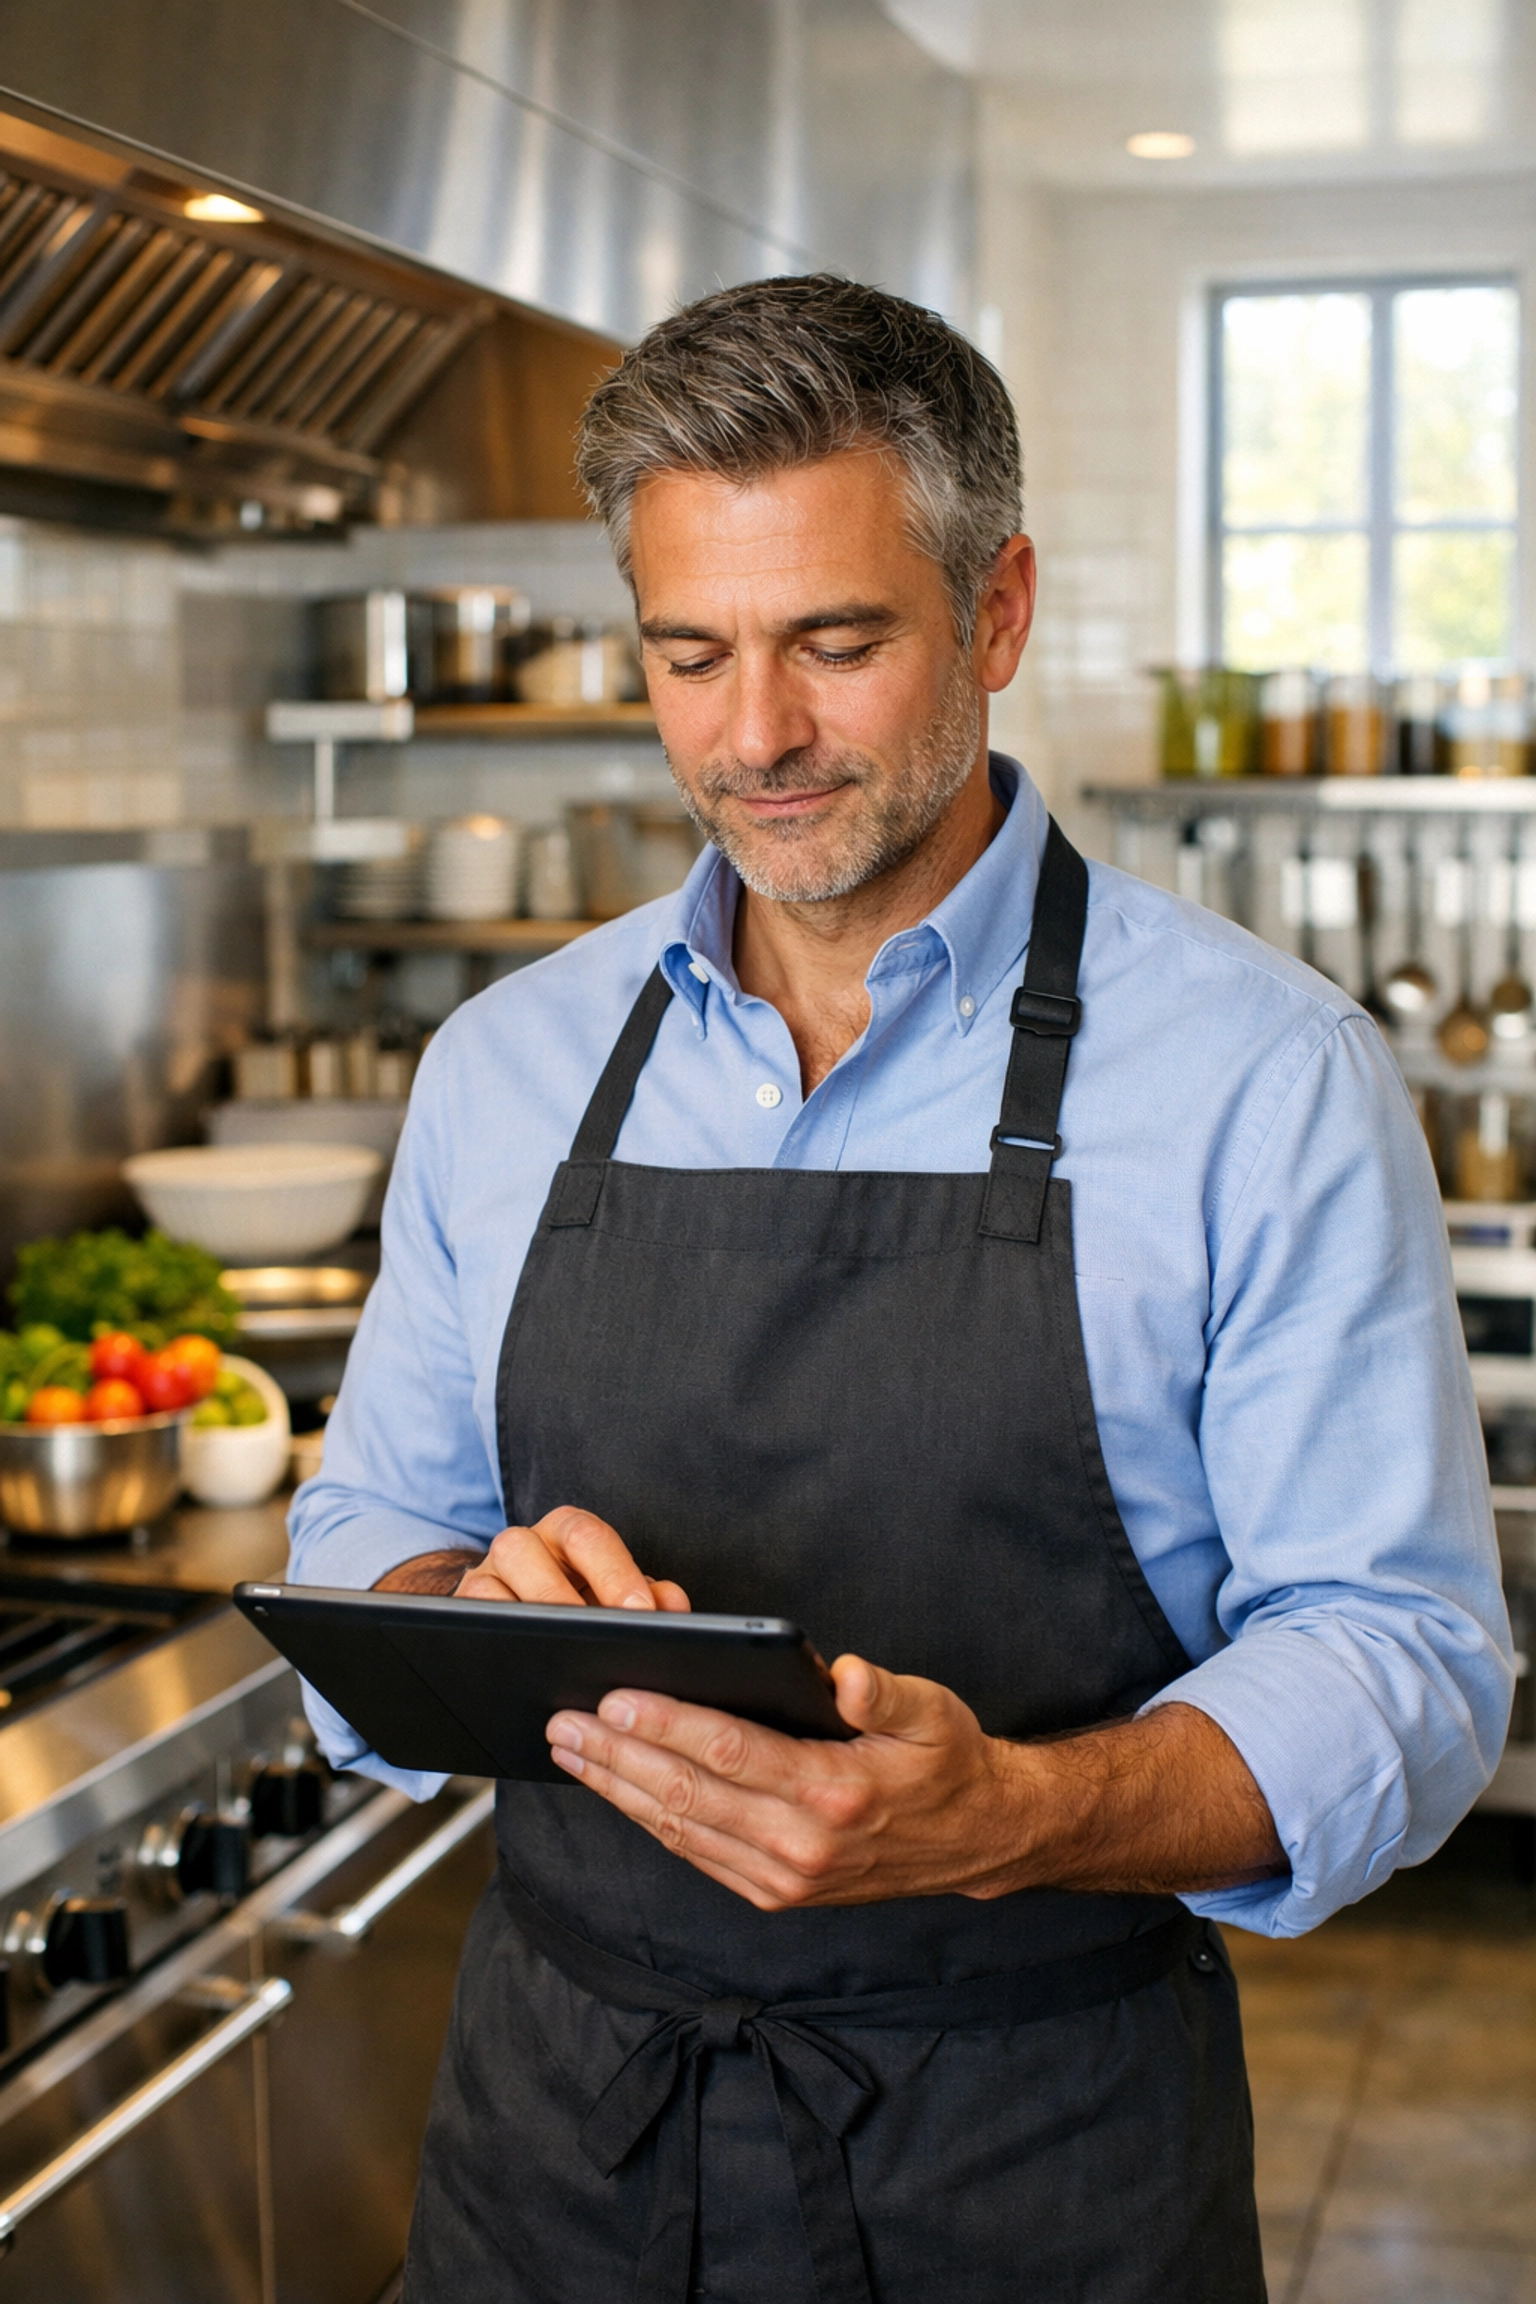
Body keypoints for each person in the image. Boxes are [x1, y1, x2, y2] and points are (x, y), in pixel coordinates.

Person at [289, 274, 1512, 2304]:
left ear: (998, 614)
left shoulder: (1261, 1079)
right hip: (559, 2144)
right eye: (691, 654)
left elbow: (1400, 1659)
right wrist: (458, 1612)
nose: (752, 735)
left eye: (834, 645)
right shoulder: (510, 1066)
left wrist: (1015, 1812)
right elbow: (371, 1537)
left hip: (1029, 2169)